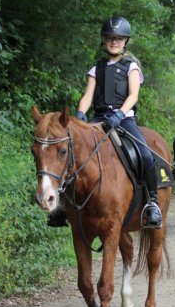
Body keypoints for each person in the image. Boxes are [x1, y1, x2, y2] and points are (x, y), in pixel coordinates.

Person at [49, 15, 162, 228]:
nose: (114, 41)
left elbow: (133, 95)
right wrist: (80, 115)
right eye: (110, 37)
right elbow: (87, 96)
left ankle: (152, 203)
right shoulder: (97, 68)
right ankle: (63, 206)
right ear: (104, 40)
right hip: (99, 119)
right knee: (72, 151)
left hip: (123, 119)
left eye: (118, 38)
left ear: (125, 40)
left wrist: (119, 114)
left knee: (145, 155)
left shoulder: (131, 66)